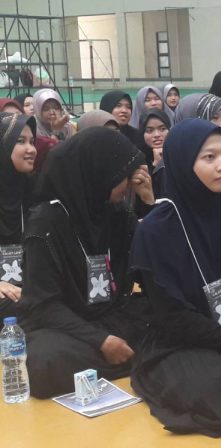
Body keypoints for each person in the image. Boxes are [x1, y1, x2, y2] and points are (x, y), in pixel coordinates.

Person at [130, 119, 221, 436]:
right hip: (183, 342)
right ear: (182, 162)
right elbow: (172, 316)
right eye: (209, 157)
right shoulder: (156, 229)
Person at [21, 128, 151, 397]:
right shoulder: (45, 224)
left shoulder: (115, 211)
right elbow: (43, 305)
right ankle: (133, 357)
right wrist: (101, 341)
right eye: (123, 176)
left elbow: (151, 267)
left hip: (112, 315)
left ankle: (118, 359)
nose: (129, 184)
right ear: (98, 173)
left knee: (167, 320)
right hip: (67, 327)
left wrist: (149, 203)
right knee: (46, 361)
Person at [0, 112, 36, 317]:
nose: (31, 149)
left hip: (23, 288)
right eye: (21, 141)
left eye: (32, 141)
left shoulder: (32, 190)